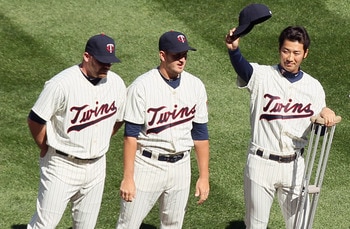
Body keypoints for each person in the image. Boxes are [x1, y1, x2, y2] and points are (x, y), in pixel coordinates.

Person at [225, 26, 336, 229]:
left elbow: (318, 131)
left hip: (294, 166)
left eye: (296, 53)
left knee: (301, 225)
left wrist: (325, 116)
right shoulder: (262, 75)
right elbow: (243, 69)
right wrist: (234, 50)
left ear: (305, 54)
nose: (290, 58)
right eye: (286, 51)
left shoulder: (314, 87)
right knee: (256, 226)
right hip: (261, 163)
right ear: (279, 50)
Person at [27, 33, 126, 229]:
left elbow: (119, 119)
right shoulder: (61, 84)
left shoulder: (116, 83)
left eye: (110, 61)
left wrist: (100, 138)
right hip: (61, 165)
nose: (107, 65)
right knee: (44, 225)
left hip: (97, 166)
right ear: (87, 57)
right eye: (102, 61)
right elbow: (35, 119)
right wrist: (45, 145)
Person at [116, 30, 210, 229]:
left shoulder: (196, 86)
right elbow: (130, 136)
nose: (182, 59)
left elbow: (200, 135)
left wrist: (203, 176)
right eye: (176, 54)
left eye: (184, 54)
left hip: (181, 167)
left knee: (173, 225)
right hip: (148, 166)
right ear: (162, 55)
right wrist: (128, 177)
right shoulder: (142, 87)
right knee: (128, 224)